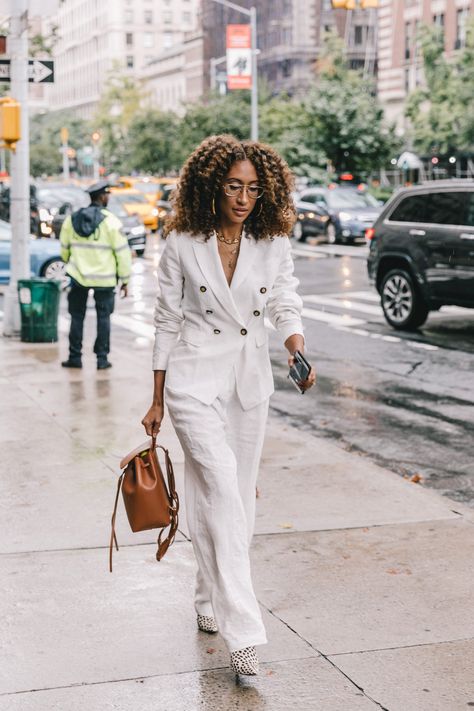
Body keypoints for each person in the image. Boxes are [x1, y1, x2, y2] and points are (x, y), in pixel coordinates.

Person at [142, 135, 315, 676]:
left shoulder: (272, 242)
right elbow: (167, 321)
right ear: (212, 185)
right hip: (193, 382)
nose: (243, 198)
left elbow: (284, 300)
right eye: (234, 186)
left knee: (233, 497)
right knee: (220, 486)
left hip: (248, 384)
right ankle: (244, 634)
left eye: (254, 189)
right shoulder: (182, 241)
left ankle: (204, 597)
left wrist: (296, 347)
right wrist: (156, 402)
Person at [60, 180, 132, 370]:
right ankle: (101, 359)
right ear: (102, 197)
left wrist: (71, 260)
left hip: (77, 276)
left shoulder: (72, 219)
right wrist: (125, 280)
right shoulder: (111, 222)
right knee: (103, 318)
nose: (108, 197)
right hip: (105, 279)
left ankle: (74, 357)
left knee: (76, 317)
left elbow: (64, 251)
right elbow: (122, 253)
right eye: (107, 194)